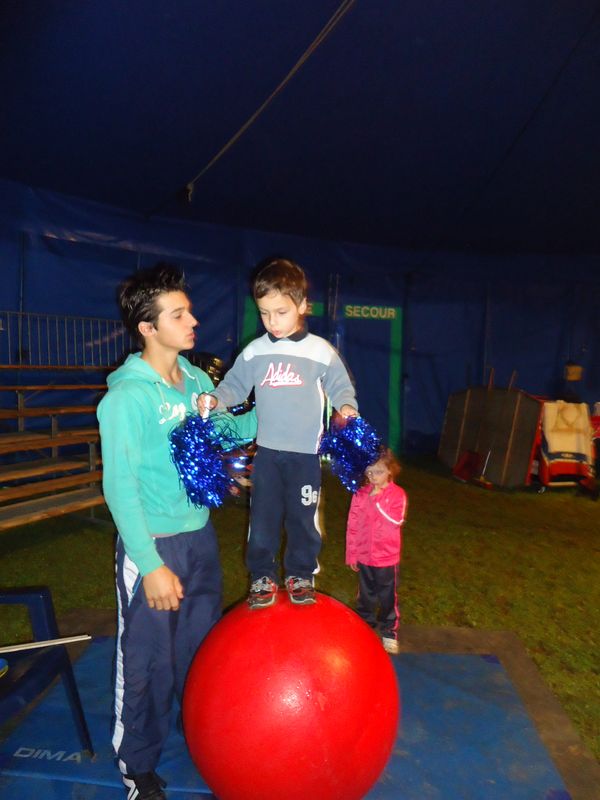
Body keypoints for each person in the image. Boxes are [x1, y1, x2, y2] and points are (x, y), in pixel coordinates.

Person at [97, 263, 256, 800]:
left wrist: (277, 409)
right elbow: (120, 487)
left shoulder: (197, 382)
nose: (193, 321)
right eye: (179, 314)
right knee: (147, 662)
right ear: (147, 327)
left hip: (199, 539)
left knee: (198, 651)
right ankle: (137, 766)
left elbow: (227, 432)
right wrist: (150, 564)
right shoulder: (127, 397)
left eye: (189, 311)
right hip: (153, 547)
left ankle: (201, 735)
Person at [199, 257, 358, 609]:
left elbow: (341, 386)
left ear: (302, 305)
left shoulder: (320, 351)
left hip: (305, 456)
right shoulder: (256, 352)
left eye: (281, 312)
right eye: (264, 313)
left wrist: (347, 407)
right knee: (263, 518)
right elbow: (234, 386)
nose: (272, 321)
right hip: (268, 454)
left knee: (303, 518)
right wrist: (216, 399)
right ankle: (262, 575)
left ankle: (301, 574)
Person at [345, 447, 407, 655]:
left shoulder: (397, 495)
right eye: (369, 472)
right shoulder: (361, 494)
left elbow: (396, 520)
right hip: (364, 556)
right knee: (365, 595)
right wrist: (352, 553)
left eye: (378, 472)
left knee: (387, 596)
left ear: (390, 471)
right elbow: (353, 525)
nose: (372, 477)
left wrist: (378, 500)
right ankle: (365, 625)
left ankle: (389, 631)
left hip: (386, 558)